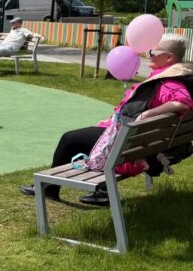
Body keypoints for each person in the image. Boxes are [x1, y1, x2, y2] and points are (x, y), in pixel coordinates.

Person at [21, 34, 192, 204]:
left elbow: (183, 103)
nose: (148, 55)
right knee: (88, 136)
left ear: (169, 57)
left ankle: (49, 189)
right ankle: (103, 191)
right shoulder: (173, 78)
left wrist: (147, 115)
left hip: (127, 146)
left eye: (152, 52)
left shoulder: (168, 83)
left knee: (70, 140)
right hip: (139, 144)